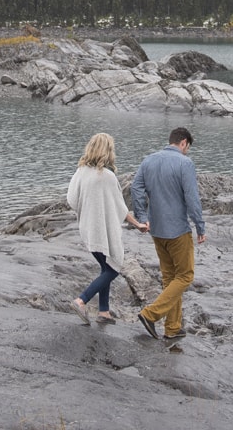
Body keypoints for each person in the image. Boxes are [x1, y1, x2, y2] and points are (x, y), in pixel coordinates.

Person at [131, 126, 205, 342]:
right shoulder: (185, 163)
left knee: (170, 278)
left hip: (157, 230)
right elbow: (192, 199)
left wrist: (142, 216)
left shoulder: (148, 160)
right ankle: (151, 314)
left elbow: (136, 188)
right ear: (183, 143)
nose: (186, 151)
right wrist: (200, 226)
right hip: (178, 230)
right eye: (187, 148)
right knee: (185, 276)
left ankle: (172, 327)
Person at [66, 133, 146, 324]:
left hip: (87, 228)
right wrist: (138, 224)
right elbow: (120, 207)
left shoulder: (81, 171)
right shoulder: (107, 177)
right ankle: (81, 300)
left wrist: (88, 210)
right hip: (102, 230)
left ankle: (104, 312)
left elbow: (71, 200)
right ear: (108, 151)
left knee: (105, 267)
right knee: (113, 268)